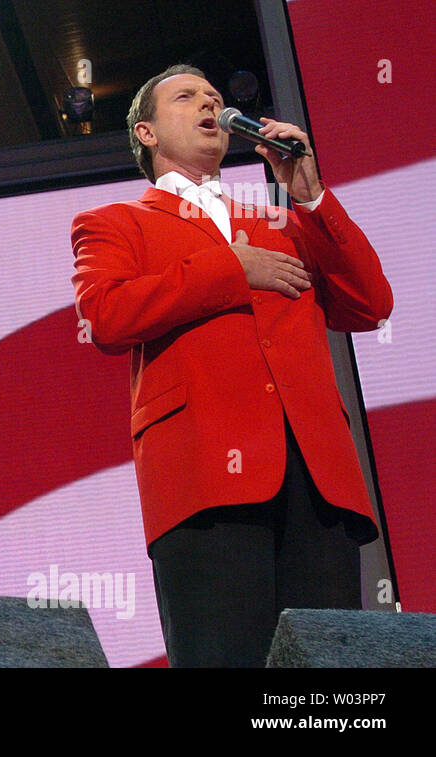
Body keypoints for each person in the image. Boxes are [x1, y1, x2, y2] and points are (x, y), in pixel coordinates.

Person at [70, 65, 392, 666]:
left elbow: (370, 305)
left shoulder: (281, 225)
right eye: (187, 97)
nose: (209, 105)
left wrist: (309, 194)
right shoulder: (115, 223)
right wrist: (230, 271)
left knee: (327, 678)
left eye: (215, 97)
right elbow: (107, 316)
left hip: (315, 474)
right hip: (203, 474)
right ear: (145, 132)